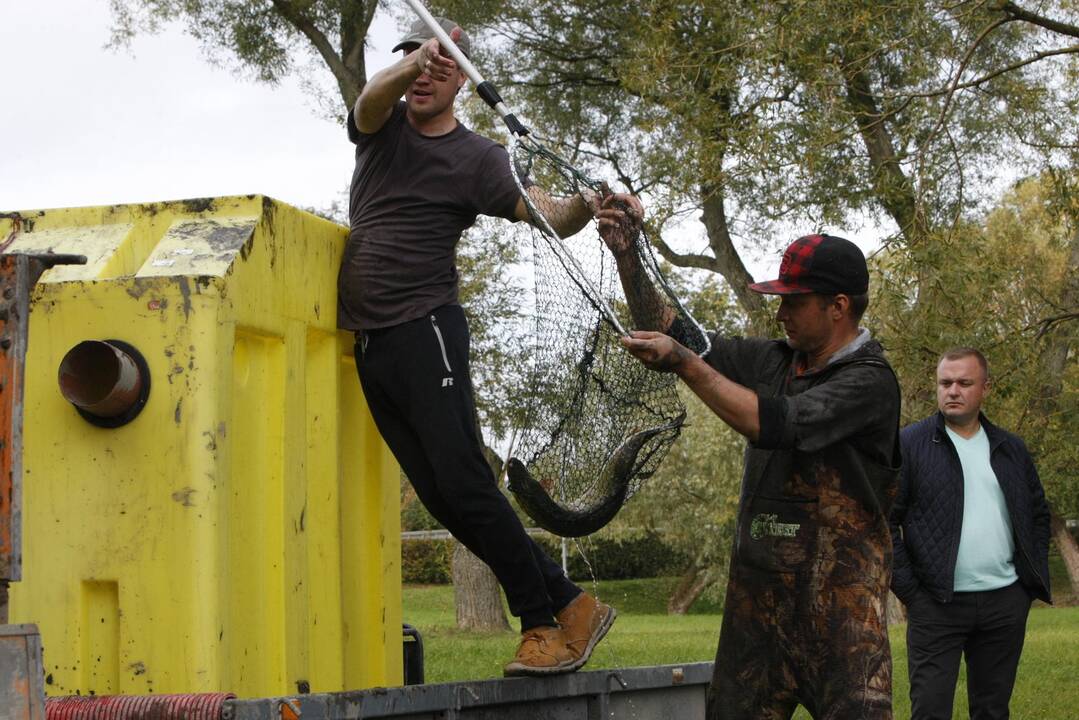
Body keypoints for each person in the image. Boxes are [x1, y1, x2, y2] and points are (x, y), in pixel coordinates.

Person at [338, 17, 618, 677]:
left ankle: (543, 623)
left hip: (425, 329)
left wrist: (587, 201)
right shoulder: (379, 131)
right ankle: (572, 605)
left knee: (465, 485)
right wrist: (415, 59)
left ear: (462, 80)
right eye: (412, 63)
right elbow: (367, 101)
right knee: (442, 498)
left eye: (439, 65)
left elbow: (549, 214)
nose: (423, 73)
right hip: (371, 340)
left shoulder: (480, 159)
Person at [597, 206, 902, 719]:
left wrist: (685, 365)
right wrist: (628, 255)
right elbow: (674, 329)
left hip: (841, 621)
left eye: (794, 302)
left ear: (839, 306)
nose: (780, 314)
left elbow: (775, 424)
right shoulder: (774, 360)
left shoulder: (869, 383)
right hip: (756, 611)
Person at [890, 347, 1051, 720]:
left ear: (986, 388)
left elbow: (1038, 514)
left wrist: (1025, 587)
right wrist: (913, 593)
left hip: (1004, 603)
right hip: (936, 606)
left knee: (992, 710)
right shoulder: (909, 445)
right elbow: (883, 522)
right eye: (945, 383)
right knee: (930, 710)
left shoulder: (1011, 448)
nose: (953, 391)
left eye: (964, 383)